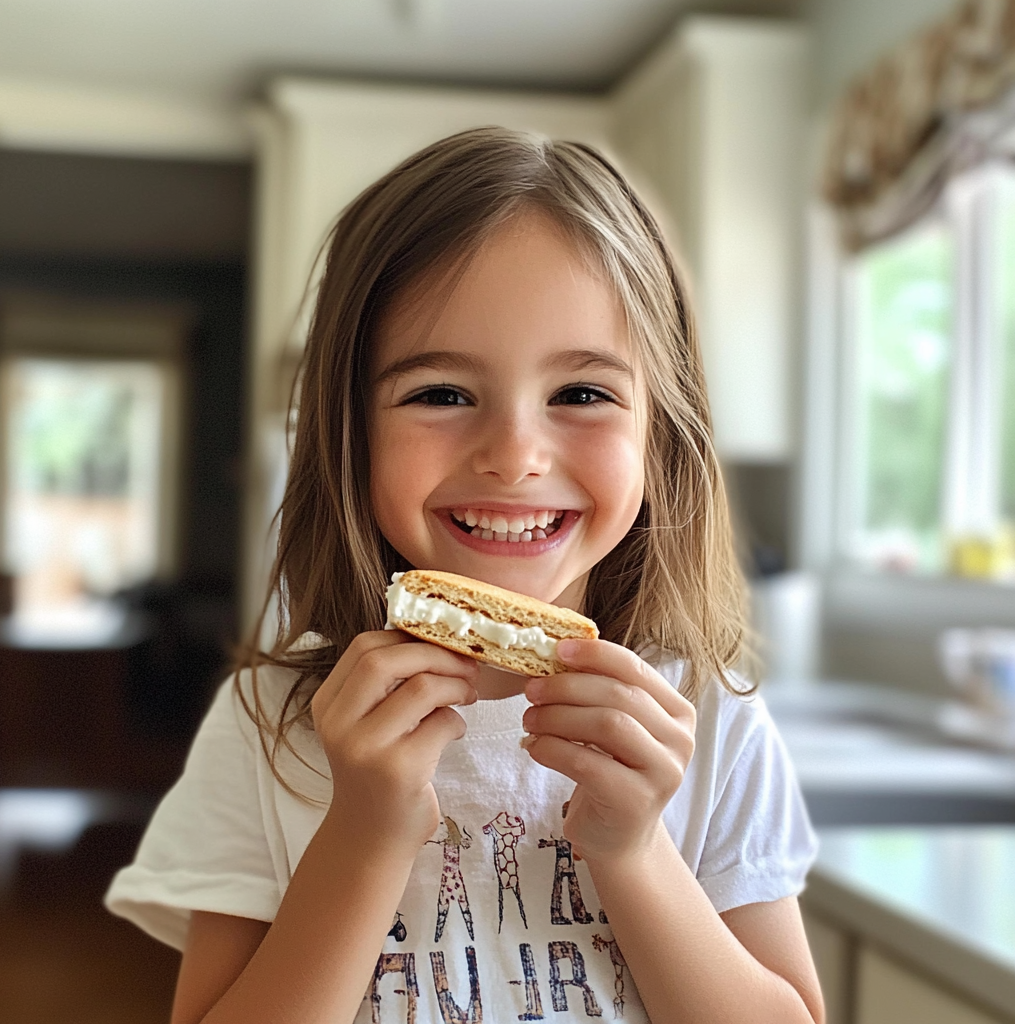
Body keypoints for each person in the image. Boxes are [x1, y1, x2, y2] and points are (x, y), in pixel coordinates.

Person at [106, 127, 824, 1024]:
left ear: (660, 433)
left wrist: (636, 851)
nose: (515, 456)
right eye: (440, 394)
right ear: (350, 433)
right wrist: (364, 836)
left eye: (582, 393)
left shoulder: (708, 726)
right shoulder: (269, 731)